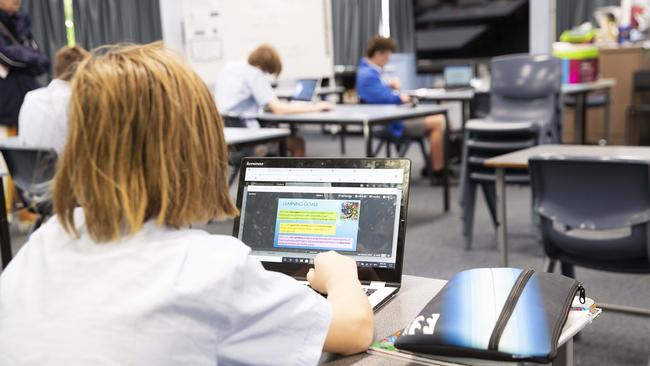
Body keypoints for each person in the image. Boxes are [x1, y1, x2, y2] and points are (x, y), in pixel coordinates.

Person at [0, 42, 373, 365]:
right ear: (198, 149)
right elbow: (354, 328)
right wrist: (339, 273)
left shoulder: (44, 243)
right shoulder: (209, 268)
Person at [356, 35, 446, 182]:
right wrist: (399, 97)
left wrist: (390, 87)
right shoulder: (368, 75)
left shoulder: (370, 71)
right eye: (386, 58)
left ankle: (433, 163)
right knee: (439, 121)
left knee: (440, 118)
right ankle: (438, 172)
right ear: (379, 54)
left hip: (391, 118)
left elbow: (378, 94)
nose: (387, 62)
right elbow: (383, 98)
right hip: (390, 123)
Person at [215, 44, 332, 156]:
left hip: (228, 139)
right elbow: (278, 109)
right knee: (298, 143)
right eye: (266, 72)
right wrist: (314, 107)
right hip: (248, 142)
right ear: (263, 67)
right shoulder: (254, 73)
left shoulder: (230, 67)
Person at [18, 45, 89, 154]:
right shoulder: (75, 100)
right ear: (83, 72)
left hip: (28, 169)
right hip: (64, 169)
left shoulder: (30, 97)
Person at [0, 0, 49, 131]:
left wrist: (23, 55)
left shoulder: (21, 24)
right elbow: (7, 57)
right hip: (6, 110)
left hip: (29, 104)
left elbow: (43, 61)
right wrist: (29, 56)